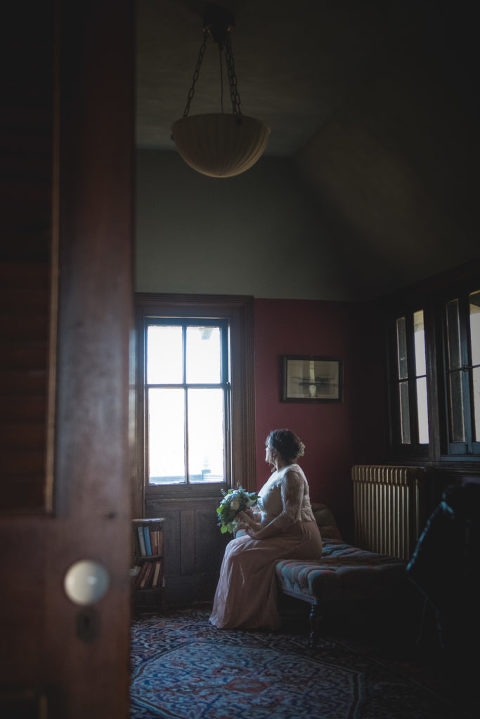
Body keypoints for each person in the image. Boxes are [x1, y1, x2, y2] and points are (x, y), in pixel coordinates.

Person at [209, 428, 322, 630]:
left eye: (267, 446)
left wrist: (260, 533)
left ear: (275, 451)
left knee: (238, 554)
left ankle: (250, 615)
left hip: (300, 537)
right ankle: (235, 612)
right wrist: (248, 514)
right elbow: (270, 510)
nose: (265, 450)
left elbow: (289, 516)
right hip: (284, 534)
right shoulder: (278, 473)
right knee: (233, 547)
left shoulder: (292, 475)